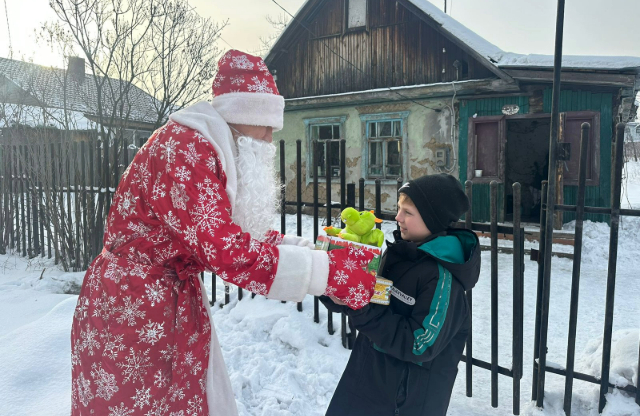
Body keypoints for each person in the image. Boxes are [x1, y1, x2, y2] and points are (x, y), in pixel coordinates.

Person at [70, 50, 376, 415]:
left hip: (160, 300)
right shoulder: (186, 150)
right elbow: (227, 251)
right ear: (236, 115)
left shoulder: (208, 146)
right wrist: (324, 274)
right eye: (261, 122)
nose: (268, 136)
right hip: (135, 309)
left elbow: (241, 233)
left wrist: (317, 256)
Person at [321, 173, 481, 416]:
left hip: (404, 401)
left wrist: (363, 311)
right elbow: (370, 300)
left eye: (408, 212)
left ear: (433, 219)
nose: (397, 218)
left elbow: (420, 345)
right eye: (399, 209)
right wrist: (336, 287)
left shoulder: (443, 279)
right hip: (365, 379)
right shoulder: (399, 255)